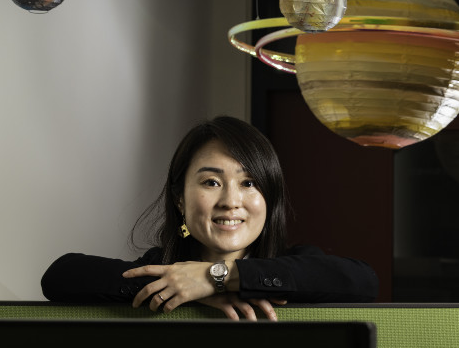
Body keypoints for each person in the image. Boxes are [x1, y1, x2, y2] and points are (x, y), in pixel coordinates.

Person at [42, 116, 378, 320]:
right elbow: (60, 276)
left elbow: (362, 282)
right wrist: (182, 286)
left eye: (249, 183)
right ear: (179, 199)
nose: (231, 201)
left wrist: (219, 277)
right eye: (211, 182)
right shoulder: (161, 266)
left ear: (269, 198)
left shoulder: (295, 265)